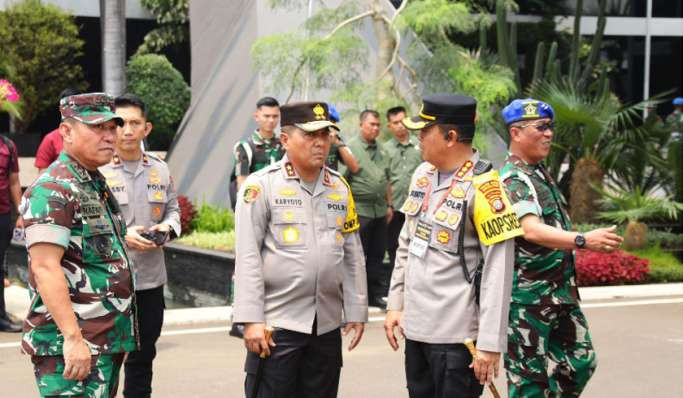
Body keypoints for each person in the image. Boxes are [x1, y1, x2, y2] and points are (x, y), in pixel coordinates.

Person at [384, 93, 520, 398]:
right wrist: (395, 303)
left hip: (458, 338)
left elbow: (499, 271)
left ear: (451, 137)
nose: (417, 138)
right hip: (417, 329)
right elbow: (406, 242)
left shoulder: (487, 188)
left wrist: (489, 344)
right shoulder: (423, 175)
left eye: (424, 131)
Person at [233, 101, 367, 398]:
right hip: (278, 324)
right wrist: (251, 320)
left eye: (325, 134)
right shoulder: (260, 187)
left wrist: (356, 309)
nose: (320, 142)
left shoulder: (340, 188)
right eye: (310, 135)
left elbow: (352, 254)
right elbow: (247, 257)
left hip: (326, 325)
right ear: (284, 139)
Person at [499, 98, 623, 397]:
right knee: (528, 383)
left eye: (550, 127)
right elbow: (530, 230)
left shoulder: (539, 173)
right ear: (516, 133)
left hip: (560, 294)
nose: (549, 134)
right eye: (540, 127)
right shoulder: (513, 178)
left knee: (582, 362)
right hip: (528, 300)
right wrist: (583, 239)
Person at [20, 93, 136, 397]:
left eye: (112, 128)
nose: (110, 136)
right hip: (73, 346)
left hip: (104, 341)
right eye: (97, 128)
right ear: (66, 132)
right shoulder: (53, 189)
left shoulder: (92, 182)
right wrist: (72, 339)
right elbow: (45, 267)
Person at [99, 93, 181, 398]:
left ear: (147, 128)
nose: (128, 130)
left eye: (135, 123)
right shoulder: (97, 171)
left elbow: (173, 209)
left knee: (143, 357)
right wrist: (122, 235)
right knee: (106, 360)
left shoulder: (160, 169)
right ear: (111, 126)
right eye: (121, 123)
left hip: (149, 281)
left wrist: (168, 228)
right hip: (109, 283)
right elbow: (82, 225)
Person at [346, 109, 393, 308]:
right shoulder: (350, 148)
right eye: (371, 124)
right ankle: (355, 296)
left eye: (377, 125)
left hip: (380, 210)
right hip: (360, 210)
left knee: (377, 254)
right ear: (361, 125)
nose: (375, 128)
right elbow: (342, 181)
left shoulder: (382, 150)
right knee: (357, 255)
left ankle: (374, 294)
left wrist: (389, 204)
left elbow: (387, 179)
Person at [383, 106, 422, 284]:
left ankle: (415, 283)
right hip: (396, 207)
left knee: (418, 246)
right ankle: (396, 284)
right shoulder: (385, 149)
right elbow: (384, 178)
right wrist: (388, 205)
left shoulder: (420, 145)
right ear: (389, 126)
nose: (400, 126)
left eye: (402, 121)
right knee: (395, 247)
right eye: (395, 123)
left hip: (419, 207)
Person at [229, 96, 284, 208]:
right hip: (255, 206)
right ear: (256, 117)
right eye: (267, 116)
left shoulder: (284, 146)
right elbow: (242, 183)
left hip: (281, 205)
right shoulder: (244, 148)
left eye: (275, 116)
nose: (271, 120)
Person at [0, 131, 22, 333]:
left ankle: (1, 317)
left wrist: (21, 213)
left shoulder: (8, 145)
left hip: (2, 215)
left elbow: (14, 181)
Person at [34, 88, 81, 172]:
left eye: (77, 106)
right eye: (68, 106)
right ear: (60, 109)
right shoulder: (51, 139)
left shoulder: (92, 136)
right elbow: (43, 174)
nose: (72, 110)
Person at [324, 105, 360, 173]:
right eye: (326, 121)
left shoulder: (336, 140)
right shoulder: (311, 139)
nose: (328, 126)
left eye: (332, 122)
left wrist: (337, 142)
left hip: (331, 182)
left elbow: (355, 168)